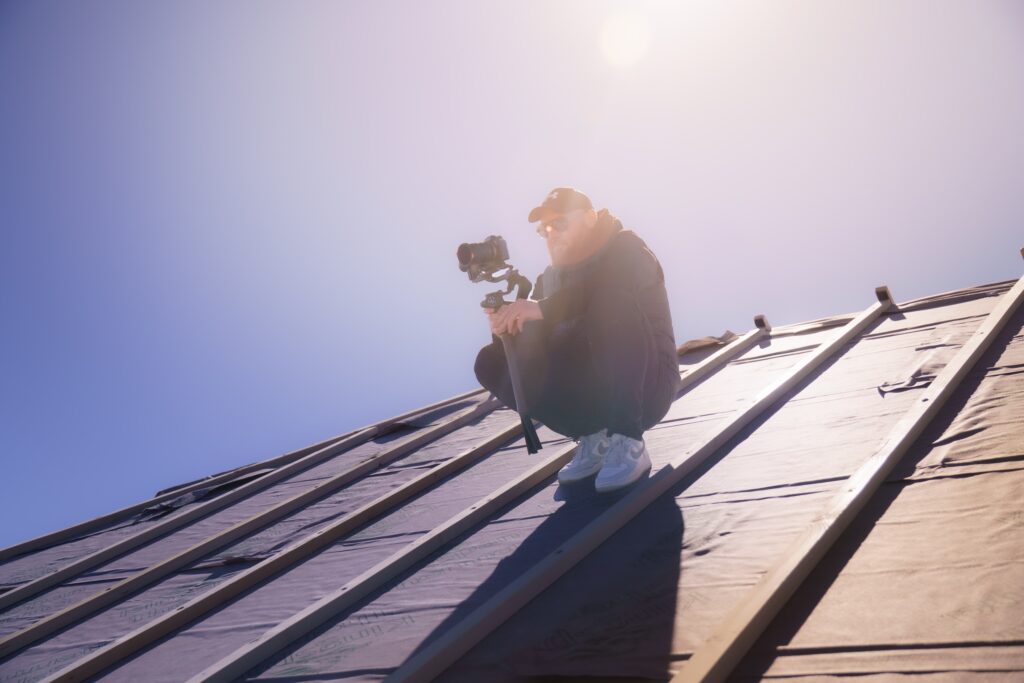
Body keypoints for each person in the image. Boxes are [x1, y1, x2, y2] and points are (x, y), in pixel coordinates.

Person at [474, 187, 680, 492]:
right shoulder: (551, 279)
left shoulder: (626, 247)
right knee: (491, 361)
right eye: (543, 229)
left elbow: (606, 290)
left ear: (589, 218)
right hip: (594, 394)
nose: (551, 234)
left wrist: (540, 308)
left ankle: (628, 442)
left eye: (559, 224)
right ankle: (591, 435)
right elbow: (534, 345)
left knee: (611, 300)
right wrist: (505, 327)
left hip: (647, 387)